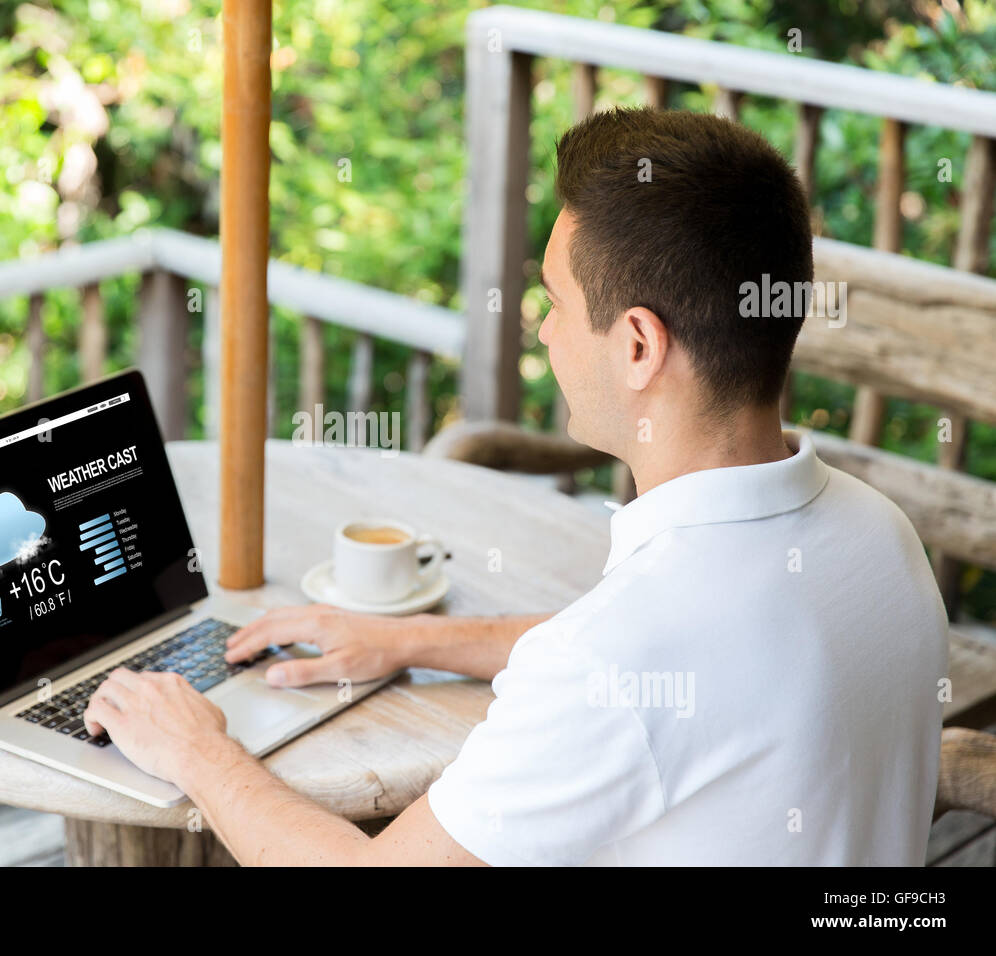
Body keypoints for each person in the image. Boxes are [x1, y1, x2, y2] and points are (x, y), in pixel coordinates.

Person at [83, 108, 949, 865]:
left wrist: (197, 749)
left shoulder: (624, 649)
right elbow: (686, 668)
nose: (541, 329)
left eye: (556, 301)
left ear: (639, 346)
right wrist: (410, 641)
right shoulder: (878, 537)